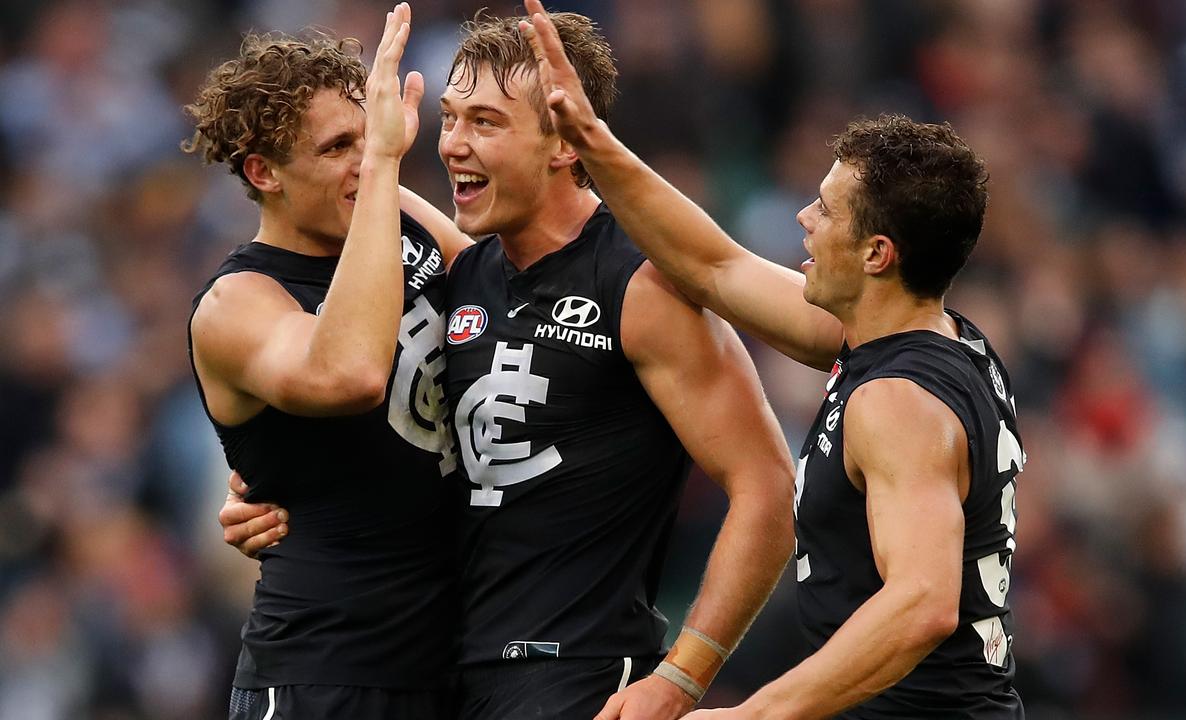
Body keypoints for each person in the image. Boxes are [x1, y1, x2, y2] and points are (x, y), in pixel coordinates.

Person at [221, 9, 796, 720]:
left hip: (581, 678)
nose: (454, 144)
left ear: (562, 139)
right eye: (451, 117)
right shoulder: (461, 272)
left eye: (486, 123)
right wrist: (261, 479)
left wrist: (683, 675)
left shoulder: (640, 284)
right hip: (452, 678)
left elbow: (768, 484)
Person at [519, 2, 1027, 717]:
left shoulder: (898, 402)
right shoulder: (924, 338)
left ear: (877, 255)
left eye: (825, 211)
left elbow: (922, 604)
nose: (802, 219)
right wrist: (590, 137)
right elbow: (712, 267)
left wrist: (752, 715)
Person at [184, 6, 470, 718]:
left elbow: (502, 295)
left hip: (458, 663)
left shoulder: (391, 214)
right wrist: (377, 166)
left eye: (367, 140)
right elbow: (349, 375)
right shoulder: (237, 301)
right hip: (326, 675)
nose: (364, 161)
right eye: (337, 146)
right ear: (264, 172)